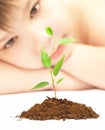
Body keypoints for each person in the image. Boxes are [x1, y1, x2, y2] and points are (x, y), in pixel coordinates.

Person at [0, 0, 105, 94]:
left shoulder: (93, 12)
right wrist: (53, 78)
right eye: (10, 42)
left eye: (34, 10)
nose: (43, 39)